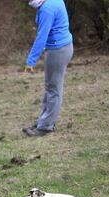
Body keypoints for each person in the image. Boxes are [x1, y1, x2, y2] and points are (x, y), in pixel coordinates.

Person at [23, 0, 74, 137]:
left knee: (53, 89)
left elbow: (42, 36)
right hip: (63, 47)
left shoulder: (47, 8)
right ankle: (43, 121)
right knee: (50, 87)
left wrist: (31, 61)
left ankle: (46, 127)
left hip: (57, 51)